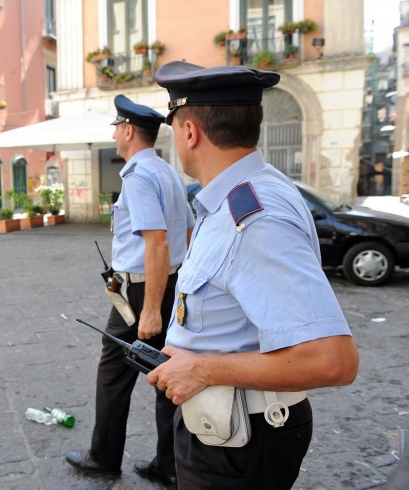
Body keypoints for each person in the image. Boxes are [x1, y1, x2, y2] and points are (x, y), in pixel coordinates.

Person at [147, 61, 360, 489]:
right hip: (227, 424)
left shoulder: (254, 218)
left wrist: (203, 370)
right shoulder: (240, 195)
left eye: (173, 127)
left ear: (190, 132)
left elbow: (333, 360)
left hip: (239, 438)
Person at [65, 94, 194, 488]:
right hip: (170, 284)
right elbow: (189, 231)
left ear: (126, 131)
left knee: (112, 374)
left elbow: (156, 242)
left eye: (116, 129)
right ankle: (169, 465)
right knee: (164, 372)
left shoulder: (138, 176)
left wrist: (151, 309)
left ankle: (103, 459)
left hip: (141, 293)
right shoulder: (167, 171)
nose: (116, 135)